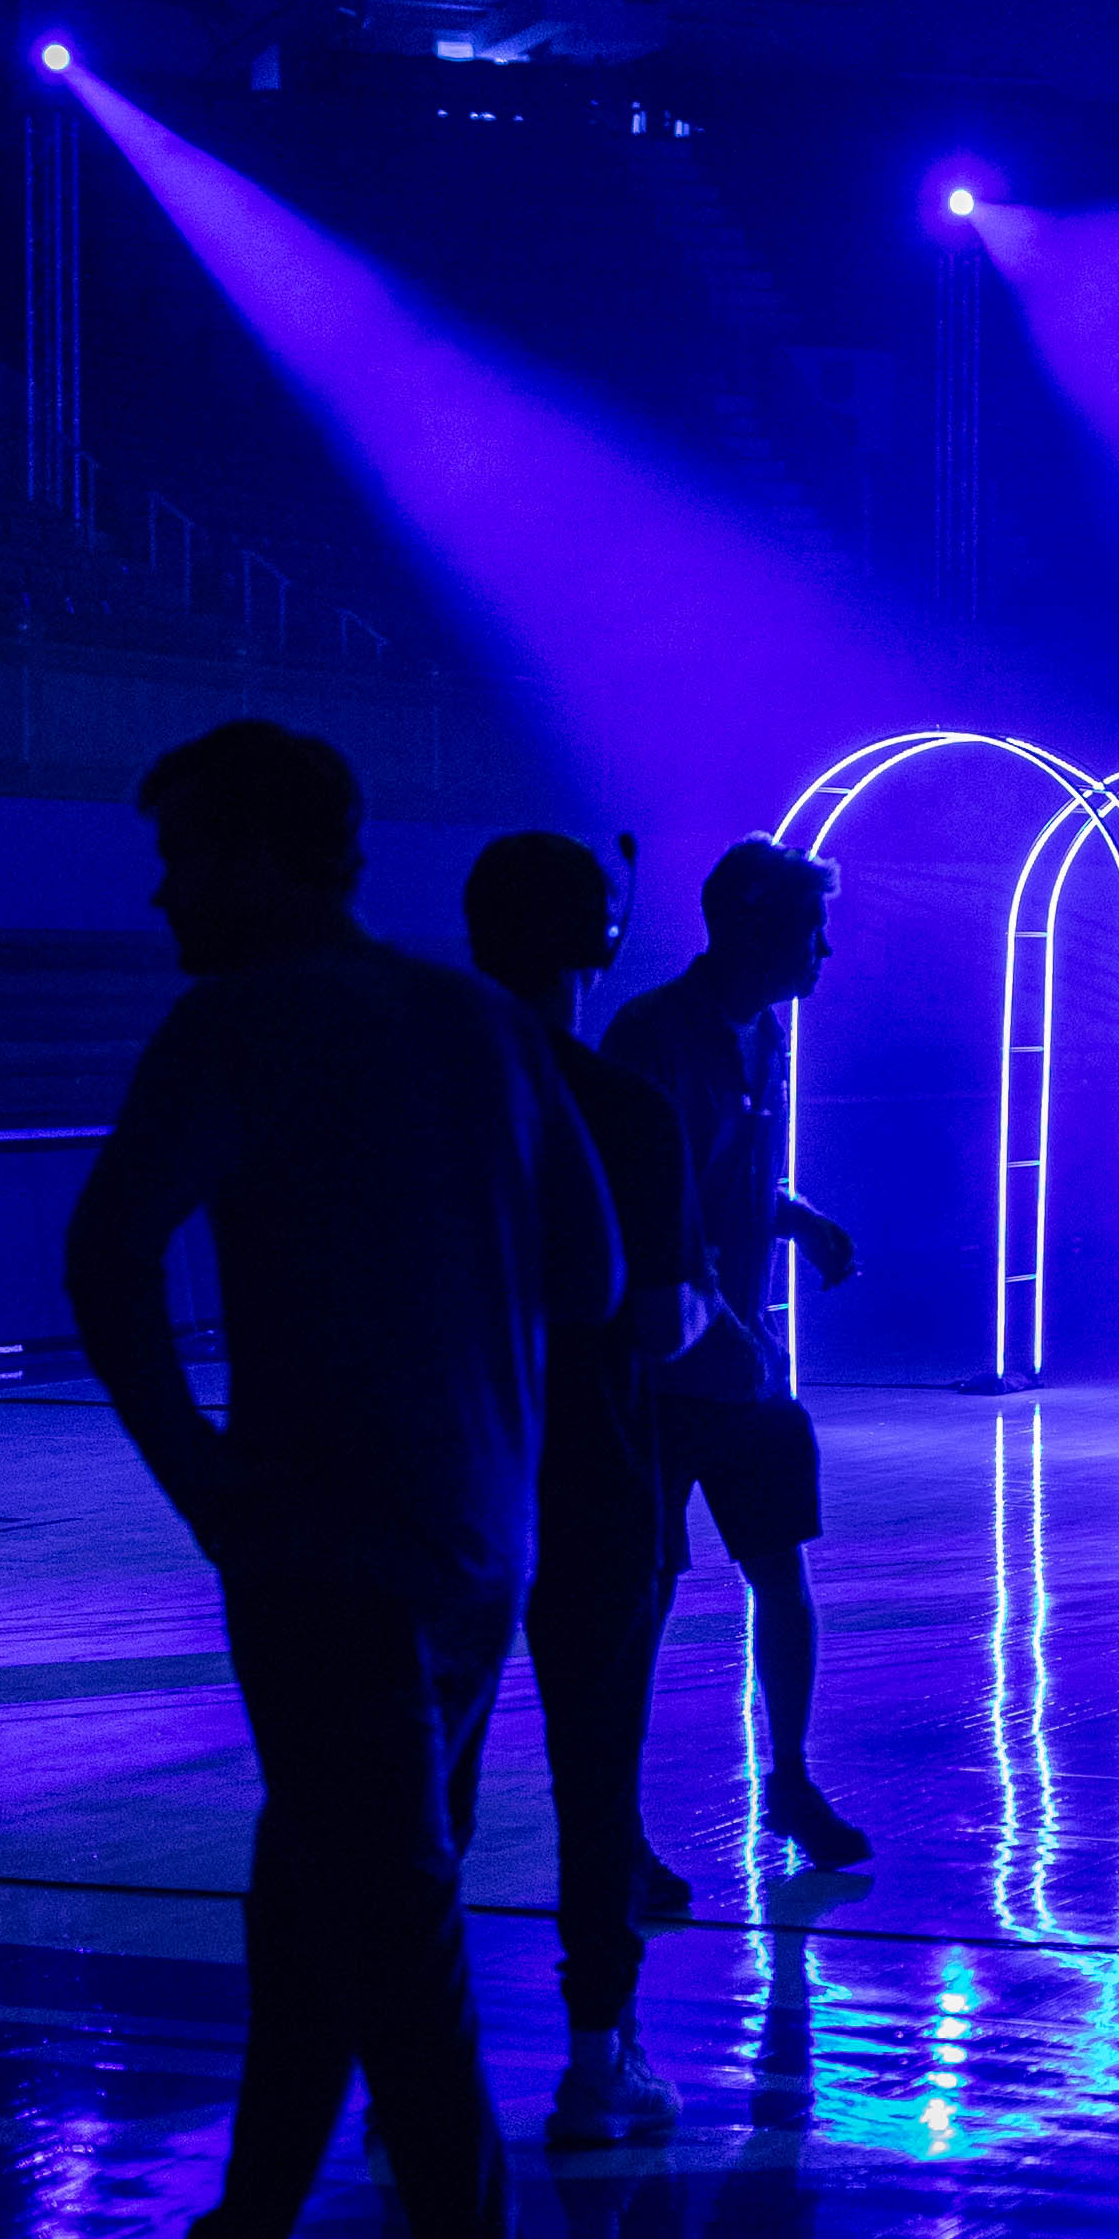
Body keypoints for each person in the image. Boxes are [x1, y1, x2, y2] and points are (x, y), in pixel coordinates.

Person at [51, 722, 624, 2239]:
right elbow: (595, 1280)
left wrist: (205, 1478)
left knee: (394, 1951)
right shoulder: (483, 1025)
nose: (160, 892)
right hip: (474, 1555)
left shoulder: (233, 1025)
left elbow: (105, 1254)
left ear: (261, 858)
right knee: (316, 1926)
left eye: (183, 856)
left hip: (325, 1559)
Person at [466, 829, 691, 2149]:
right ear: (599, 942)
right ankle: (599, 2062)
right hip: (594, 1483)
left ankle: (407, 2068)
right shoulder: (622, 1111)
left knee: (425, 1780)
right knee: (594, 1780)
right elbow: (657, 1324)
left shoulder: (410, 1104)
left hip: (446, 1479)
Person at [601, 839, 870, 1869]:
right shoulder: (652, 1038)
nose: (827, 952)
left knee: (782, 1578)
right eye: (812, 930)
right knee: (643, 1602)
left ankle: (790, 1782)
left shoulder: (763, 1038)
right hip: (661, 1379)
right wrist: (716, 1323)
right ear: (754, 929)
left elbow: (720, 1183)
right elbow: (646, 1214)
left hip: (741, 1368)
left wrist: (797, 1220)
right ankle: (616, 1823)